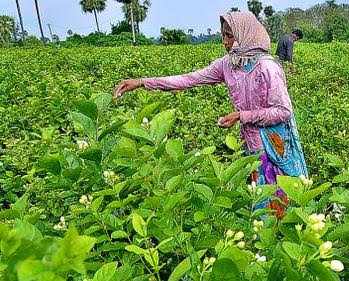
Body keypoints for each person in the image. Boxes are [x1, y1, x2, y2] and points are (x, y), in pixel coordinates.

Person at [113, 12, 308, 218]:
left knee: (282, 203)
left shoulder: (268, 67)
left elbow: (283, 111)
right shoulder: (227, 64)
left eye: (230, 36)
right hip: (251, 145)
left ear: (245, 34)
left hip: (276, 145)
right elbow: (188, 79)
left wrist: (242, 116)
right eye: (223, 35)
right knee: (258, 202)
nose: (224, 41)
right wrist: (142, 82)